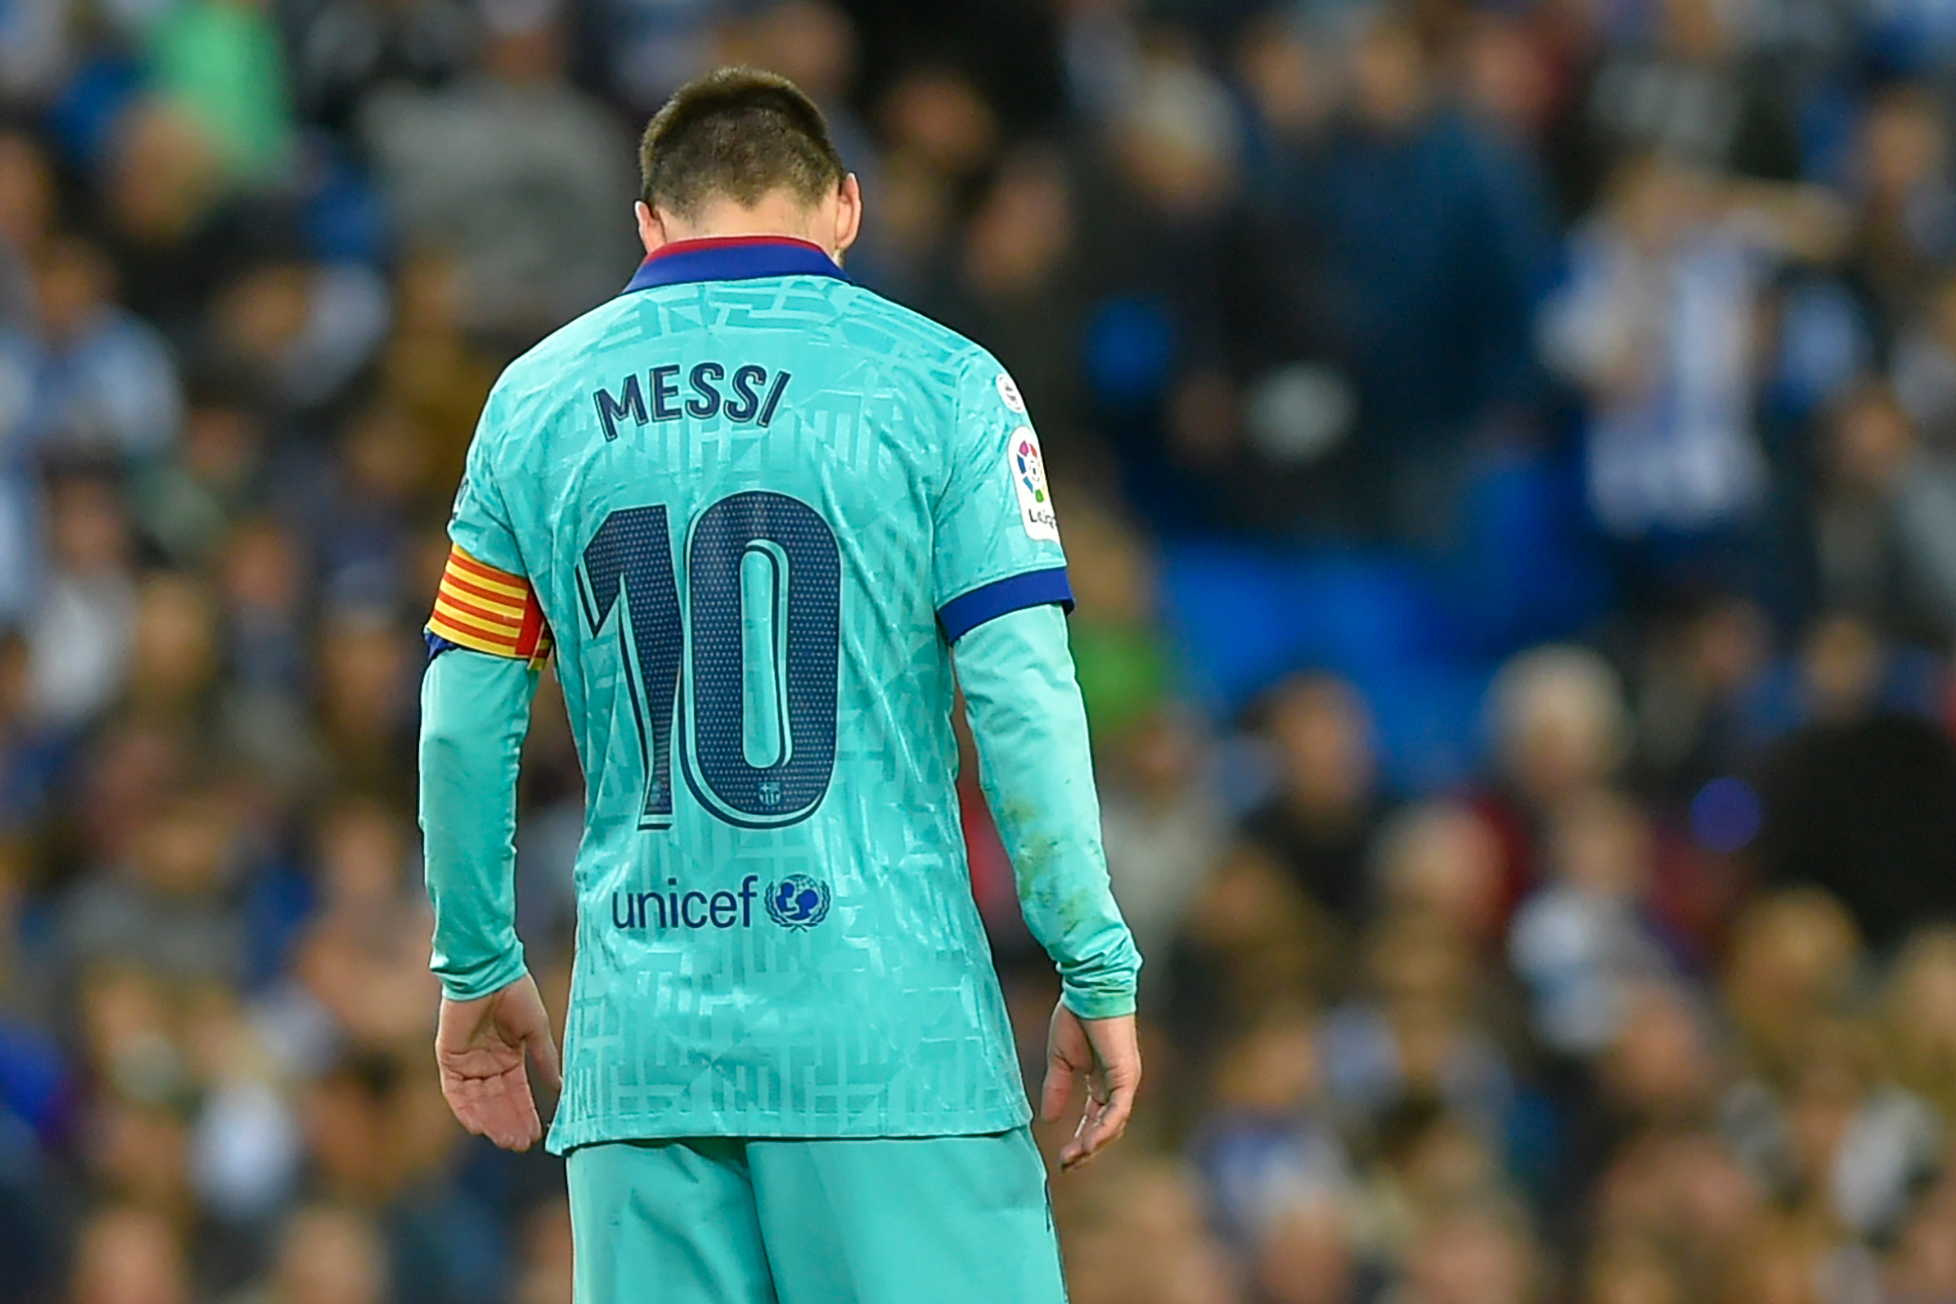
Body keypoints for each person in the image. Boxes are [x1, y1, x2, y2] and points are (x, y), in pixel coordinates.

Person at [415, 66, 1143, 1304]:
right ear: (846, 209)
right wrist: (1096, 963)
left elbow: (460, 717)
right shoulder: (949, 385)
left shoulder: (530, 403)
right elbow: (1023, 695)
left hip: (642, 1054)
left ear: (650, 222)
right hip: (890, 1040)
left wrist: (475, 962)